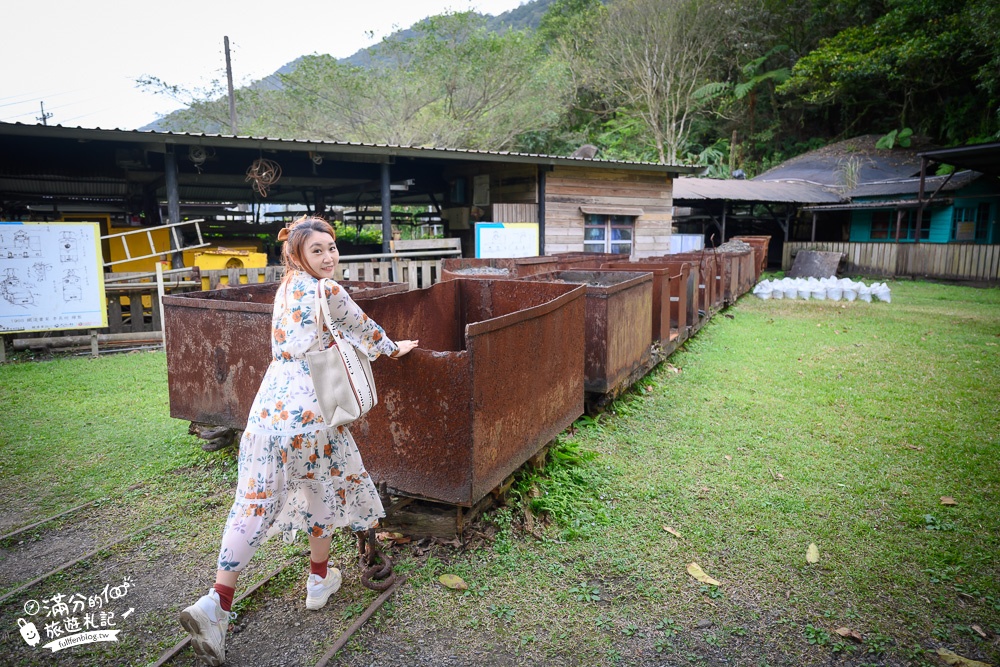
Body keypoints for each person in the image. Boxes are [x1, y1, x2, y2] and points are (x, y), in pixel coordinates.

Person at [179, 216, 418, 666]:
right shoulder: (328, 290)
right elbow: (365, 329)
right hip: (313, 414)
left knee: (253, 503)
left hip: (268, 412)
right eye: (318, 251)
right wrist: (394, 347)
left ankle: (222, 601)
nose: (329, 257)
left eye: (332, 248)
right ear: (298, 255)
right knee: (320, 488)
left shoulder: (285, 287)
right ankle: (315, 577)